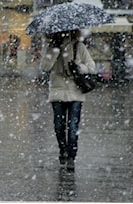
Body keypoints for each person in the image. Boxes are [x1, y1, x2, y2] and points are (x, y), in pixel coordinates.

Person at [40, 30, 96, 171]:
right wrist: (55, 50)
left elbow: (91, 66)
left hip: (75, 92)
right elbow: (44, 67)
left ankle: (71, 156)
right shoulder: (52, 47)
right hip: (57, 91)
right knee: (59, 125)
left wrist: (78, 68)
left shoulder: (78, 46)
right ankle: (63, 150)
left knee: (73, 127)